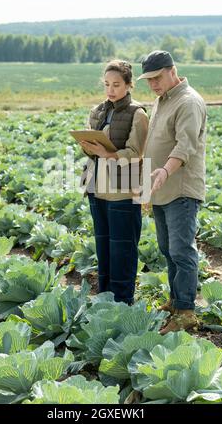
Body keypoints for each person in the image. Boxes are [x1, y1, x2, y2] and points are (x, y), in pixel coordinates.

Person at [137, 50, 206, 334]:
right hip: (160, 188)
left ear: (172, 70)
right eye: (149, 80)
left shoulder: (188, 102)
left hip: (180, 188)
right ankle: (175, 301)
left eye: (157, 77)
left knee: (181, 249)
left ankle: (186, 311)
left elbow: (184, 146)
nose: (153, 84)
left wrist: (165, 171)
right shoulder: (161, 101)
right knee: (167, 249)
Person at [80, 60, 148, 305]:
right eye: (107, 84)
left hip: (124, 191)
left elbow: (136, 152)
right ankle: (105, 299)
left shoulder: (137, 113)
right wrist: (89, 147)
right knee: (104, 248)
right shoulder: (97, 110)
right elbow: (93, 152)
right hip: (97, 189)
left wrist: (108, 154)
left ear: (129, 85)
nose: (110, 90)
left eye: (116, 85)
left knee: (123, 250)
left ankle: (123, 301)